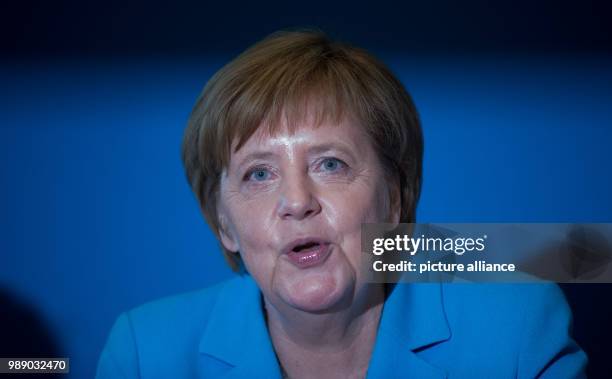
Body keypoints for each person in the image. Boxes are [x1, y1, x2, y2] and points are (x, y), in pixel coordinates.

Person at [95, 30, 587, 378]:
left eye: (329, 164)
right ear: (224, 222)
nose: (296, 202)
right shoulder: (144, 353)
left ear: (395, 196)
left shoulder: (518, 328)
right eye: (259, 174)